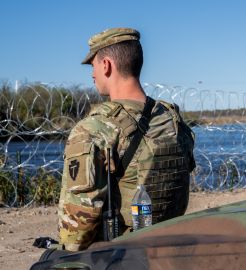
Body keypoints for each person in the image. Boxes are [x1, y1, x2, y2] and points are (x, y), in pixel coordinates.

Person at [57, 28, 194, 251]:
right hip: (170, 247)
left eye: (93, 66)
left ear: (106, 65)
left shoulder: (94, 129)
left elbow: (76, 233)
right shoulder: (172, 120)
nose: (92, 75)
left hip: (122, 255)